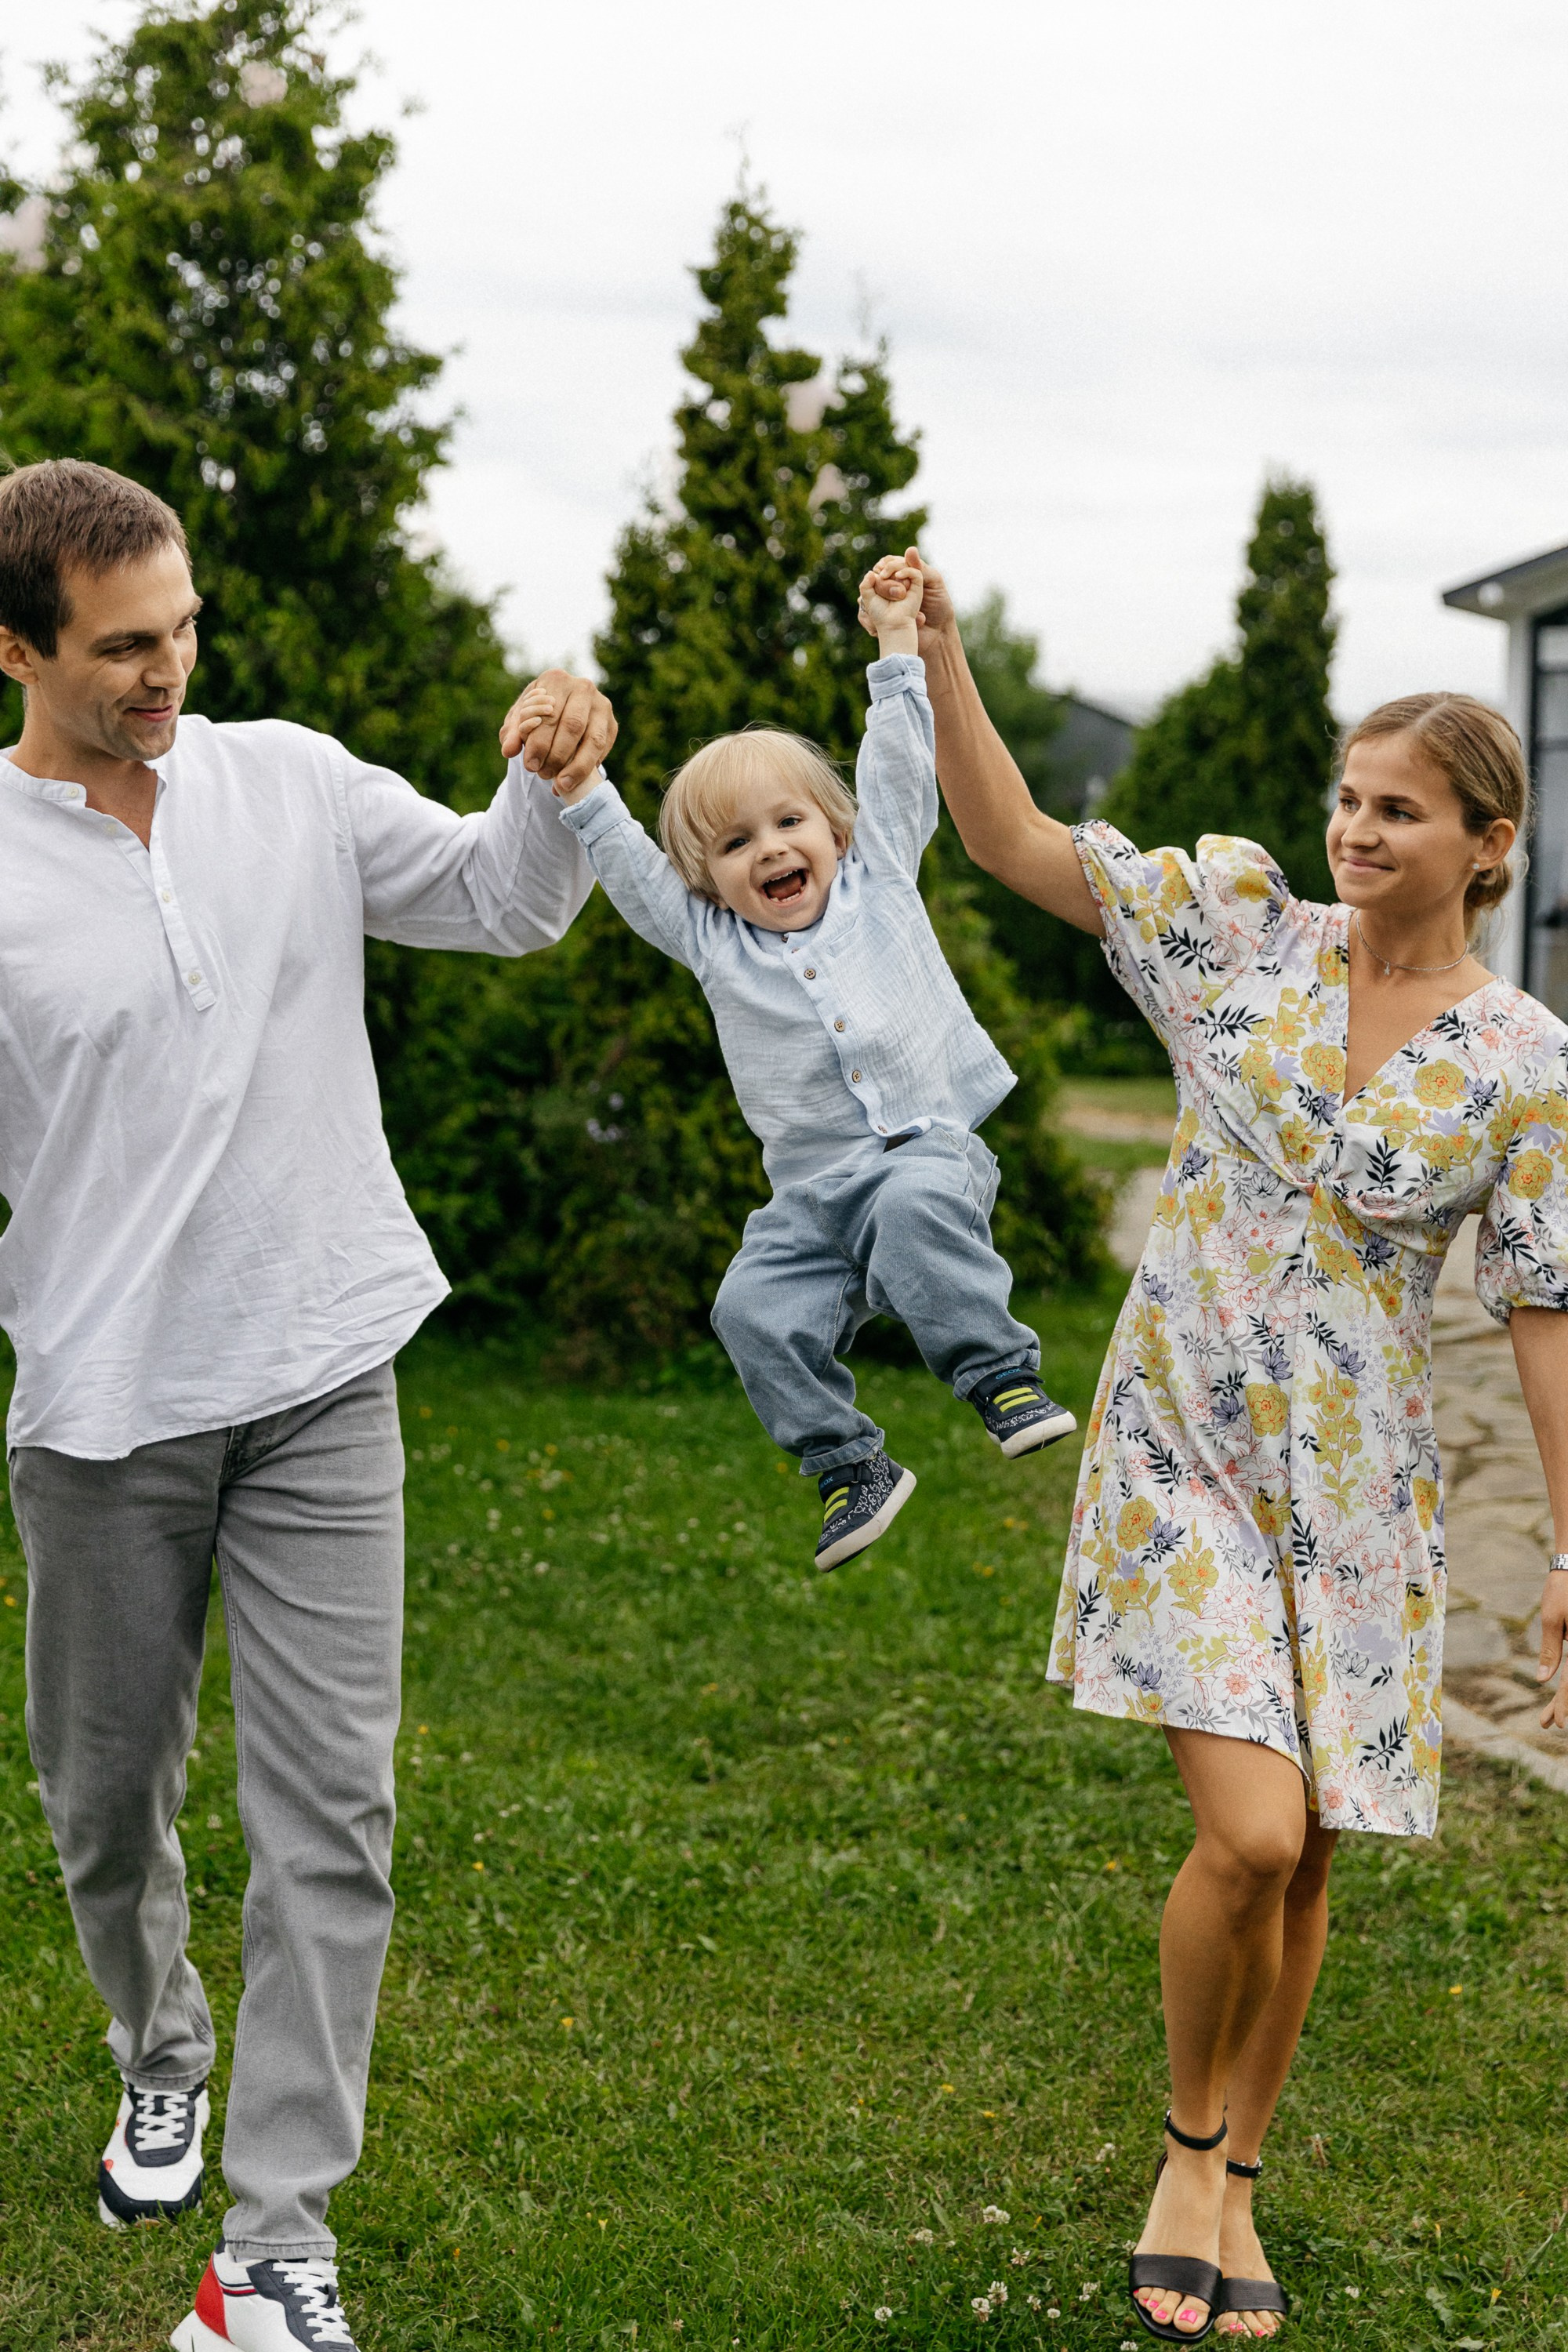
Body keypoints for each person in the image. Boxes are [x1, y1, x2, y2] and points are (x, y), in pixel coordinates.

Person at [863, 550, 1568, 2343]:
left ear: (1487, 842)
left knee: (1313, 1842)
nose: (1350, 831)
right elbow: (1022, 845)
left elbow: (1547, 1315)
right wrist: (938, 655)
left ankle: (1237, 2183)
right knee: (1247, 1835)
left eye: (1395, 811)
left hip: (1361, 1481)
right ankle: (1186, 2145)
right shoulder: (1237, 932)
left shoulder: (1524, 1063)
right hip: (1182, 1437)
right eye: (1344, 797)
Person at [0, 458, 614, 2352]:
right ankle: (159, 2045)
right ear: (17, 649)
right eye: (121, 648)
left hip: (324, 1368)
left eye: (181, 627)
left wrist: (553, 775)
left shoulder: (290, 779)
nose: (167, 670)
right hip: (104, 1410)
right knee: (107, 1810)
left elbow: (504, 904)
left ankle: (273, 2249)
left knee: (331, 1813)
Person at [523, 556, 1075, 1572]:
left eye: (788, 824)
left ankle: (999, 1374)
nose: (769, 849)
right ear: (707, 879)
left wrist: (897, 645)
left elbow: (902, 760)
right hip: (810, 1201)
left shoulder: (882, 878)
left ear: (835, 829)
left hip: (923, 1150)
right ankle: (848, 1465)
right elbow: (636, 873)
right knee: (748, 1309)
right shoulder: (709, 942)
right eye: (734, 843)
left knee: (913, 1214)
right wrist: (580, 788)